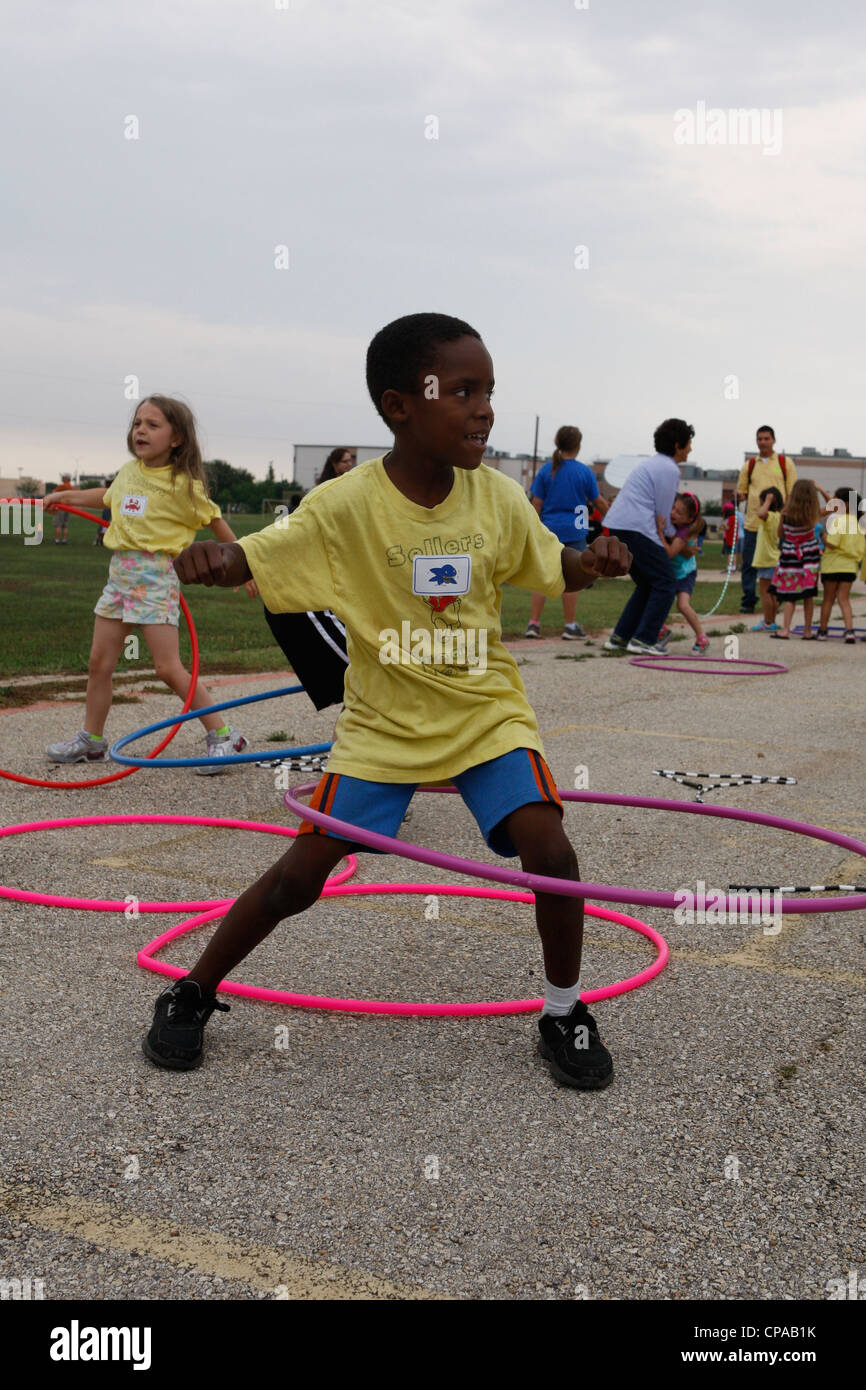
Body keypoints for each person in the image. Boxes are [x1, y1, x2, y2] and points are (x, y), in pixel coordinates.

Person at [141, 312, 632, 1089]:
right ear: (400, 406)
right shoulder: (345, 504)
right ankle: (193, 991)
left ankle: (564, 1011)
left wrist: (595, 558)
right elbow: (255, 560)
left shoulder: (498, 498)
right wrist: (215, 556)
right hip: (384, 724)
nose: (485, 409)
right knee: (299, 880)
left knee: (553, 853)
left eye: (490, 391)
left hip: (484, 711)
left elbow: (557, 567)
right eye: (464, 391)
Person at [43, 396, 257, 772]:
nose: (140, 429)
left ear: (176, 438)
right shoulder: (129, 472)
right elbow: (108, 498)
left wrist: (243, 566)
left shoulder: (183, 486)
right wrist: (67, 496)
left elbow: (216, 522)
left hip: (158, 577)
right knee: (99, 662)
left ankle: (224, 734)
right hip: (119, 577)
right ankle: (91, 741)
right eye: (137, 423)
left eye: (153, 425)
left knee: (167, 668)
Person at [602, 418, 693, 655]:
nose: (690, 449)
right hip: (635, 527)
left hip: (619, 525)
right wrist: (679, 537)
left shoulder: (652, 464)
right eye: (688, 444)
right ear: (677, 445)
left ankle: (620, 637)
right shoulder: (669, 468)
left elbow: (659, 515)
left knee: (647, 584)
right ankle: (643, 639)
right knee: (666, 582)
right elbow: (662, 516)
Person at [523, 426, 608, 639]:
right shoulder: (584, 472)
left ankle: (533, 624)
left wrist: (532, 530)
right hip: (575, 532)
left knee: (541, 578)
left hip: (549, 530)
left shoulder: (546, 470)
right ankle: (570, 626)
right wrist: (611, 515)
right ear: (578, 446)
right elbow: (597, 501)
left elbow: (536, 504)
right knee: (572, 579)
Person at [736, 426, 796, 614]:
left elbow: (791, 492)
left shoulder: (784, 463)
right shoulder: (750, 465)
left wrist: (786, 515)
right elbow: (742, 491)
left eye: (766, 438)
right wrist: (739, 495)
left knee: (776, 563)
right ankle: (749, 598)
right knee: (749, 564)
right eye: (759, 439)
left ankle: (775, 597)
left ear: (773, 440)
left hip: (776, 525)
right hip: (753, 522)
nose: (763, 442)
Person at [655, 493, 708, 653]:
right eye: (673, 508)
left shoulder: (684, 531)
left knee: (683, 605)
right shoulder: (675, 525)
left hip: (685, 574)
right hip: (672, 573)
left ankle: (702, 638)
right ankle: (661, 631)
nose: (672, 513)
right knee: (660, 602)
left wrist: (660, 533)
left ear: (689, 519)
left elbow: (670, 553)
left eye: (678, 512)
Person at [768, 479, 821, 640]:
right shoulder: (813, 514)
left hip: (790, 556)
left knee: (790, 595)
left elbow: (780, 535)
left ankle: (785, 629)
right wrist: (819, 489)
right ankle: (807, 631)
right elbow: (834, 506)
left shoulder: (786, 514)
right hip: (809, 556)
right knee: (808, 595)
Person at [816, 488, 865, 642]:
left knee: (828, 599)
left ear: (845, 504)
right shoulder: (859, 523)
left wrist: (822, 537)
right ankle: (849, 631)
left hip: (833, 566)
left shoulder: (839, 520)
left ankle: (823, 631)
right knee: (844, 599)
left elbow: (833, 544)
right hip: (850, 567)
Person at [750, 486, 784, 631]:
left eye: (761, 502)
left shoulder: (769, 517)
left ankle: (768, 622)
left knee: (765, 593)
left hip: (767, 560)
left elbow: (761, 513)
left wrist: (768, 500)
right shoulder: (779, 516)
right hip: (775, 559)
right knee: (773, 595)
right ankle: (771, 621)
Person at [52, 472, 74, 544]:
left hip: (60, 507)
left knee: (57, 524)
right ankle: (64, 540)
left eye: (63, 477)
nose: (61, 478)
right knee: (65, 525)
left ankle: (57, 540)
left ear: (66, 478)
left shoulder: (62, 486)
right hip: (68, 507)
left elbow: (53, 493)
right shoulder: (71, 487)